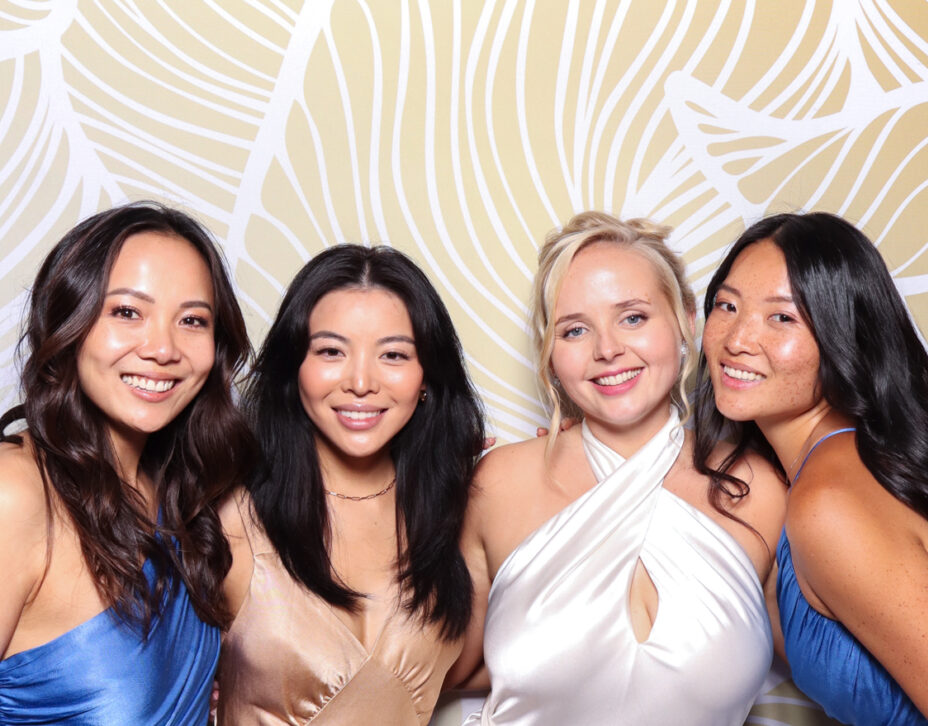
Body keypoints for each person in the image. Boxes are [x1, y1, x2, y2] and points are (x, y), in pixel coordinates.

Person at [451, 212, 787, 725]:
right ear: (551, 356)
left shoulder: (754, 488)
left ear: (686, 325)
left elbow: (837, 663)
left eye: (633, 317)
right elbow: (435, 673)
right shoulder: (498, 484)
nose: (607, 350)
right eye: (575, 330)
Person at [696, 211, 928, 725]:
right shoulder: (813, 477)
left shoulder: (834, 500)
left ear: (842, 336)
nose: (737, 338)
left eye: (782, 317)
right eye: (727, 305)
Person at [0, 202, 254, 724]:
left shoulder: (184, 498)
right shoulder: (15, 495)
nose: (163, 348)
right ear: (69, 322)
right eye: (126, 312)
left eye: (191, 320)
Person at [216, 244, 486, 724]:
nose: (361, 382)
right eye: (331, 351)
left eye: (394, 354)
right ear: (293, 369)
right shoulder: (228, 517)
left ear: (426, 377)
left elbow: (501, 663)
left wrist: (570, 454)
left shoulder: (457, 509)